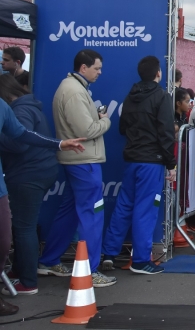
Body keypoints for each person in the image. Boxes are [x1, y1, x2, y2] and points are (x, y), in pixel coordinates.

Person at [39, 49, 116, 288]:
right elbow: (88, 130)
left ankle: (49, 260)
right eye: (97, 68)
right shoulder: (73, 90)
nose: (100, 73)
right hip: (83, 161)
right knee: (92, 214)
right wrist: (106, 119)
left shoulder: (73, 87)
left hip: (78, 160)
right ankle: (90, 270)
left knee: (70, 211)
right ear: (83, 68)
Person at [0, 95, 85, 311]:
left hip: (14, 181)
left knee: (6, 238)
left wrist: (59, 143)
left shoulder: (5, 108)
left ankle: (24, 279)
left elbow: (22, 135)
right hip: (23, 176)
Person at [101, 56, 176, 275]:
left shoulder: (130, 96)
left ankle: (109, 253)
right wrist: (171, 163)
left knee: (124, 206)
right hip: (151, 161)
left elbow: (122, 128)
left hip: (132, 159)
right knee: (145, 210)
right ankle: (141, 260)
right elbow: (166, 133)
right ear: (158, 73)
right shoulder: (162, 97)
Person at [0, 76, 57, 294]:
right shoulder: (28, 106)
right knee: (24, 226)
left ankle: (28, 281)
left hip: (28, 174)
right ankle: (21, 270)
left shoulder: (19, 111)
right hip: (39, 170)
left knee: (24, 227)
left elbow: (19, 143)